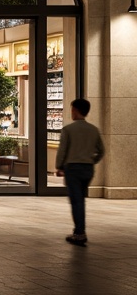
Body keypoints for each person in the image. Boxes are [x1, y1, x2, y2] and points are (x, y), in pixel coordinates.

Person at [55, 97, 104, 246]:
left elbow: (62, 150)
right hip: (88, 169)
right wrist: (91, 161)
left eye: (71, 109)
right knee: (80, 199)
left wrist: (59, 166)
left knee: (76, 201)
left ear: (75, 110)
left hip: (73, 169)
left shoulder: (68, 129)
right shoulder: (94, 130)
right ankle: (79, 230)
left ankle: (79, 232)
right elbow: (101, 151)